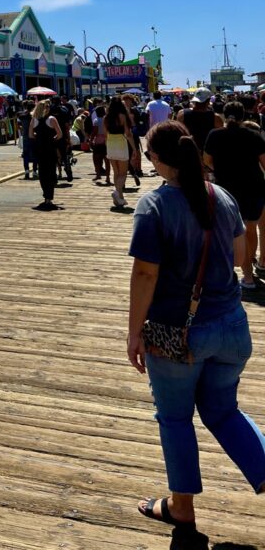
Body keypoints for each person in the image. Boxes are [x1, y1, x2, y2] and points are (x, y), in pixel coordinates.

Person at [128, 121, 265, 531]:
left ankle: (181, 505)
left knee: (174, 418)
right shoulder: (221, 196)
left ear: (155, 159)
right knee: (223, 412)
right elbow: (241, 255)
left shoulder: (153, 207)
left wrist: (135, 332)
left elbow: (145, 275)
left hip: (180, 334)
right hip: (232, 327)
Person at [204, 101, 265, 292]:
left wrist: (221, 170)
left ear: (223, 114)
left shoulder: (214, 135)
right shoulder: (253, 136)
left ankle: (245, 273)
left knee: (230, 232)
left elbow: (207, 160)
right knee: (250, 229)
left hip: (226, 189)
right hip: (253, 187)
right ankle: (250, 268)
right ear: (243, 117)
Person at [105, 96, 138, 210]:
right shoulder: (123, 116)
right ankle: (116, 192)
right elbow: (128, 134)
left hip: (110, 143)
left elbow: (105, 134)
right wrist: (134, 148)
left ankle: (120, 198)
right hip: (120, 143)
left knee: (116, 172)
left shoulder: (107, 117)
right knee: (123, 173)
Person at [30, 100, 62, 209]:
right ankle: (49, 197)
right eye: (47, 106)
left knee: (42, 172)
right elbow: (60, 134)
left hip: (39, 148)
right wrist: (52, 139)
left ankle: (46, 196)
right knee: (51, 172)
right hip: (50, 148)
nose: (49, 108)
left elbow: (30, 135)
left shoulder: (34, 120)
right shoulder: (52, 119)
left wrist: (38, 137)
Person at [177, 88, 223, 153]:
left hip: (187, 152)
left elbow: (177, 133)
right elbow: (220, 138)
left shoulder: (182, 114)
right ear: (208, 101)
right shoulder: (215, 117)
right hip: (207, 153)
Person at [90, 102, 110, 184]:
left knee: (96, 159)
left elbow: (94, 131)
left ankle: (98, 174)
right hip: (107, 141)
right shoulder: (107, 120)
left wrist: (90, 139)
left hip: (98, 141)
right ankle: (108, 177)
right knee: (107, 160)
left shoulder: (96, 120)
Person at [17, 99, 37, 180]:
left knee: (25, 155)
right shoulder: (35, 115)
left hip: (25, 137)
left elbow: (18, 126)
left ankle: (27, 171)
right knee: (35, 154)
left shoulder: (21, 115)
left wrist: (23, 129)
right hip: (34, 137)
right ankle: (35, 171)